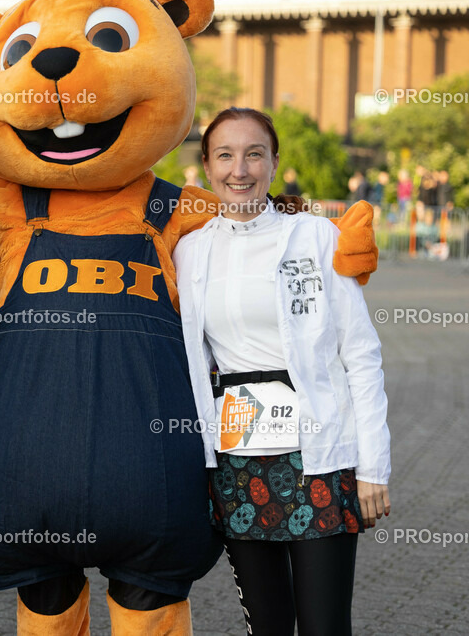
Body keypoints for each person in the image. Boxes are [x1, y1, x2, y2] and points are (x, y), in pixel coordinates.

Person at [173, 108, 391, 636]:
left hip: (320, 457)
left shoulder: (318, 237)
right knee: (267, 625)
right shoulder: (190, 250)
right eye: (225, 155)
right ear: (205, 165)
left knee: (323, 625)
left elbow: (360, 356)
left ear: (275, 163)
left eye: (254, 154)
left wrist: (374, 467)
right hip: (236, 460)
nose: (239, 169)